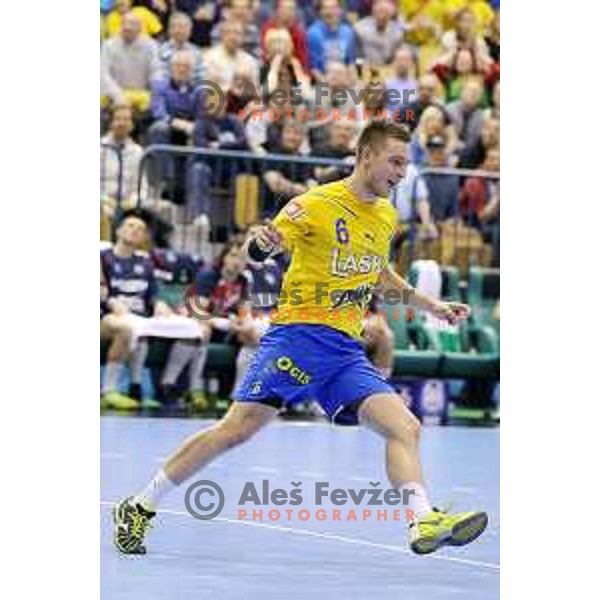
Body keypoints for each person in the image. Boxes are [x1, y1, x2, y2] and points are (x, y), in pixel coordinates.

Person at [113, 120, 487, 557]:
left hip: (345, 352)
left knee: (404, 426)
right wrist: (262, 244)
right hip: (297, 339)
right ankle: (140, 505)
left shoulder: (385, 215)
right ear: (366, 155)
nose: (403, 172)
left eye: (407, 163)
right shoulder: (313, 204)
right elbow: (261, 246)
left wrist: (431, 306)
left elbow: (379, 275)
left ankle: (422, 521)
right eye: (396, 161)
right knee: (236, 429)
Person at [100, 12, 162, 113]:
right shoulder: (108, 45)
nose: (127, 27)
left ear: (140, 28)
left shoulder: (151, 45)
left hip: (141, 96)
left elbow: (156, 72)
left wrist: (155, 93)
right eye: (124, 23)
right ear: (120, 26)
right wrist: (118, 97)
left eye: (132, 24)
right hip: (113, 96)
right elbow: (103, 74)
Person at [306, 0, 357, 80]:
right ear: (320, 12)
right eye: (326, 8)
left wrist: (352, 83)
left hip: (344, 78)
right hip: (323, 79)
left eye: (334, 8)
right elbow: (314, 69)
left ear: (340, 11)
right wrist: (327, 86)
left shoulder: (348, 32)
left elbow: (350, 63)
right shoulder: (313, 33)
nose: (330, 12)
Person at [354, 0, 405, 67]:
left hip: (385, 68)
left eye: (386, 13)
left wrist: (387, 68)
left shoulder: (397, 32)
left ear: (391, 15)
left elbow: (394, 58)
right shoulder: (359, 28)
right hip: (364, 67)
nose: (382, 16)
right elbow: (355, 56)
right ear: (373, 12)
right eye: (379, 12)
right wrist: (361, 66)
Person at [158, 11, 205, 81]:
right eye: (176, 27)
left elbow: (201, 77)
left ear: (190, 31)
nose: (180, 31)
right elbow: (161, 78)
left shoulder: (196, 52)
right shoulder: (161, 51)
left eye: (184, 27)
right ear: (170, 30)